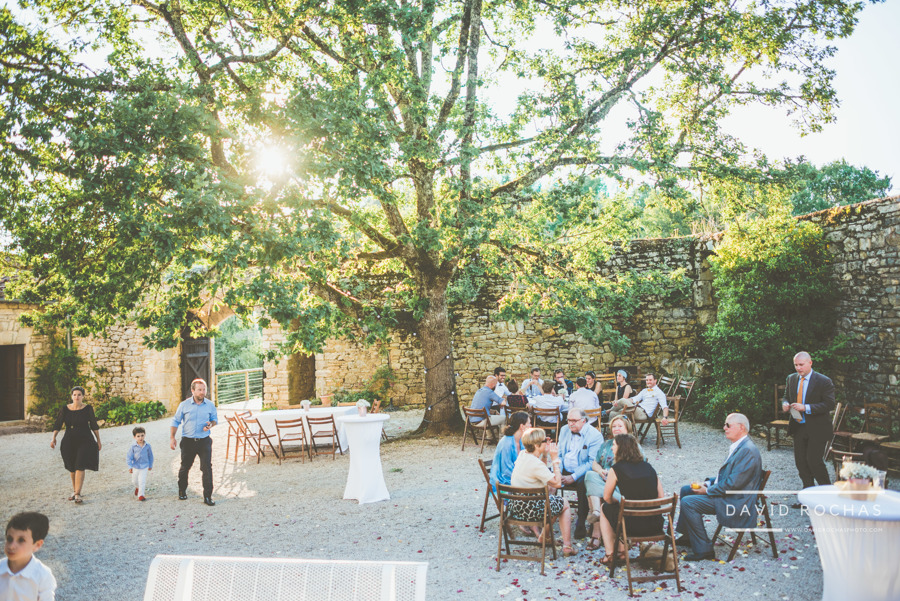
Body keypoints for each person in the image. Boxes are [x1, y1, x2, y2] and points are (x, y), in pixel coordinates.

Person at [675, 413, 762, 561]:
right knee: (686, 490)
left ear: (741, 427)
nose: (724, 428)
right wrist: (708, 483)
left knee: (688, 502)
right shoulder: (740, 446)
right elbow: (728, 477)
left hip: (735, 501)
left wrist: (707, 490)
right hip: (730, 494)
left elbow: (733, 484)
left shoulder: (747, 450)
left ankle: (704, 549)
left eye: (728, 425)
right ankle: (688, 536)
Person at [598, 434, 665, 564]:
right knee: (618, 511)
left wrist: (616, 502)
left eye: (614, 445)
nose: (611, 448)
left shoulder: (616, 469)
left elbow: (606, 497)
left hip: (630, 527)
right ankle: (621, 552)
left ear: (622, 448)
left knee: (605, 508)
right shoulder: (649, 467)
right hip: (655, 524)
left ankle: (610, 554)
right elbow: (661, 497)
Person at [509, 428, 577, 557]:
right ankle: (567, 546)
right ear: (536, 445)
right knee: (564, 503)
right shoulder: (535, 464)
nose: (548, 441)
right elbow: (557, 483)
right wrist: (555, 459)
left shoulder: (523, 454)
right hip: (529, 510)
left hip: (516, 506)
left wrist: (545, 454)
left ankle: (544, 537)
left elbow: (541, 471)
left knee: (553, 502)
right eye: (545, 440)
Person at [583, 415, 644, 550]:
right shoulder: (606, 445)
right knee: (590, 475)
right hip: (604, 480)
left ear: (627, 428)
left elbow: (639, 471)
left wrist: (614, 475)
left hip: (622, 487)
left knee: (594, 490)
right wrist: (600, 471)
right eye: (614, 426)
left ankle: (596, 533)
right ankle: (597, 513)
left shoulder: (634, 447)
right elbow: (595, 463)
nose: (616, 429)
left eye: (620, 426)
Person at [782, 351, 834, 489]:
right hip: (798, 426)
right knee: (800, 463)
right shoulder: (791, 378)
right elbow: (786, 396)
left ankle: (827, 491)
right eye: (796, 365)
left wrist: (806, 407)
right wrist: (785, 403)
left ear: (810, 363)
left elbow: (829, 404)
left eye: (801, 364)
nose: (798, 368)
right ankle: (808, 492)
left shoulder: (824, 381)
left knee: (814, 462)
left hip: (818, 427)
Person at [556, 408, 604, 539]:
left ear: (583, 421)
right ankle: (547, 515)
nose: (570, 423)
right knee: (548, 477)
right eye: (568, 420)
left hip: (582, 469)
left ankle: (581, 521)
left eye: (574, 421)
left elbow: (592, 462)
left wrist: (573, 476)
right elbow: (559, 454)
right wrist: (558, 472)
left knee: (584, 482)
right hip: (565, 467)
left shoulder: (594, 435)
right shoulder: (564, 430)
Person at [50, 386, 102, 504]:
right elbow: (58, 424)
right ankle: (75, 491)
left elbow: (94, 425)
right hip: (69, 441)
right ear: (71, 396)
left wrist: (98, 440)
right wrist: (53, 438)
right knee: (72, 467)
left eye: (79, 395)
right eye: (74, 395)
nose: (77, 397)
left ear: (83, 396)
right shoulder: (65, 409)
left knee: (80, 465)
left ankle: (77, 493)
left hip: (85, 440)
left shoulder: (88, 409)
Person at [170, 378, 218, 506]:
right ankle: (182, 490)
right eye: (199, 390)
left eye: (204, 389)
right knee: (185, 467)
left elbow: (214, 420)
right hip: (188, 441)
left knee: (207, 468)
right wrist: (172, 437)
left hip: (204, 441)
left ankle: (207, 496)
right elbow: (175, 421)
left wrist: (210, 424)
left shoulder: (210, 405)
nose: (202, 392)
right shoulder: (184, 405)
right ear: (193, 391)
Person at [1, 511, 56, 601]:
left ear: (37, 545)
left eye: (21, 540)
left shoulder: (43, 576)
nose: (11, 546)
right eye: (9, 539)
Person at [489, 412, 531, 490]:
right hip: (505, 482)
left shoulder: (521, 440)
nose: (531, 426)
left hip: (517, 477)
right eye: (529, 423)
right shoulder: (506, 443)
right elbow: (506, 471)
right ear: (522, 426)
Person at [127, 426, 154, 501]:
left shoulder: (148, 446)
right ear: (134, 437)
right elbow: (129, 457)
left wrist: (150, 465)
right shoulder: (133, 447)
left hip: (144, 466)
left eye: (142, 435)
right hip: (135, 466)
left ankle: (141, 495)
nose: (140, 438)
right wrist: (130, 466)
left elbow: (151, 456)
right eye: (138, 436)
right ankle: (137, 487)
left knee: (142, 481)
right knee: (134, 481)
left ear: (145, 435)